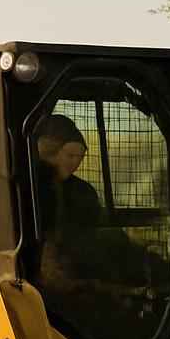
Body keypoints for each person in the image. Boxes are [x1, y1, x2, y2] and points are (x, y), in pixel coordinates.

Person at [32, 114, 103, 282]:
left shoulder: (83, 192)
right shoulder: (31, 186)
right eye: (70, 156)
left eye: (80, 157)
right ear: (50, 152)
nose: (75, 164)